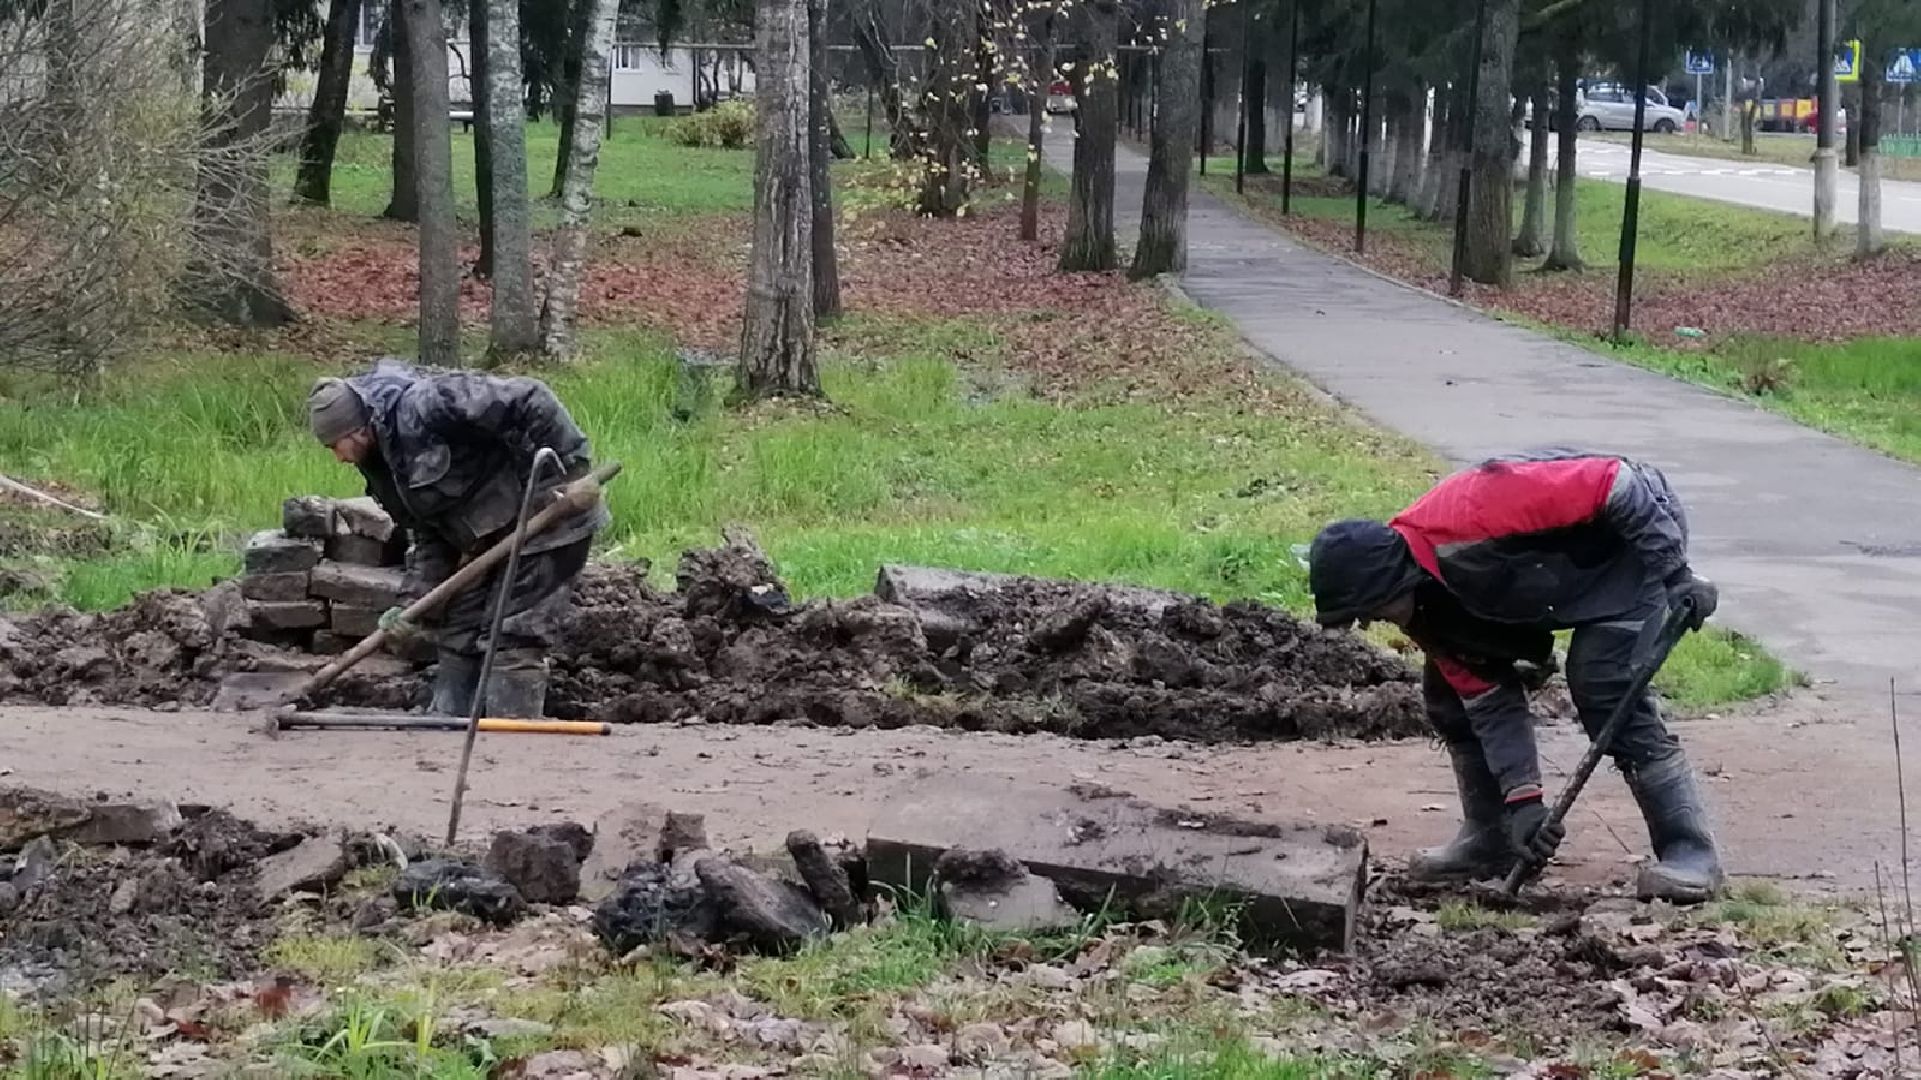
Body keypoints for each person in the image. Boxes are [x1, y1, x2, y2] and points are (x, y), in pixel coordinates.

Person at [1306, 450, 1724, 902]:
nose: (1368, 624)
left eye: (1365, 610)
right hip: (1551, 578)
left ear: (1389, 582)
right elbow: (1489, 701)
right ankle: (1492, 840)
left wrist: (1675, 572)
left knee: (1601, 680)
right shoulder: (1425, 608)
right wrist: (1524, 806)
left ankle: (1690, 850)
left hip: (1631, 546)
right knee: (1448, 695)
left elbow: (1618, 484)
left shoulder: (1476, 507)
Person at [306, 359, 609, 719]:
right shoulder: (381, 464)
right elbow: (428, 532)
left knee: (511, 633)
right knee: (459, 630)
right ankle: (448, 724)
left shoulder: (428, 404)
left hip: (548, 517)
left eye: (335, 445)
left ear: (356, 429)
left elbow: (531, 396)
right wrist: (412, 603)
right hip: (487, 538)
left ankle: (511, 736)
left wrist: (573, 470)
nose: (339, 457)